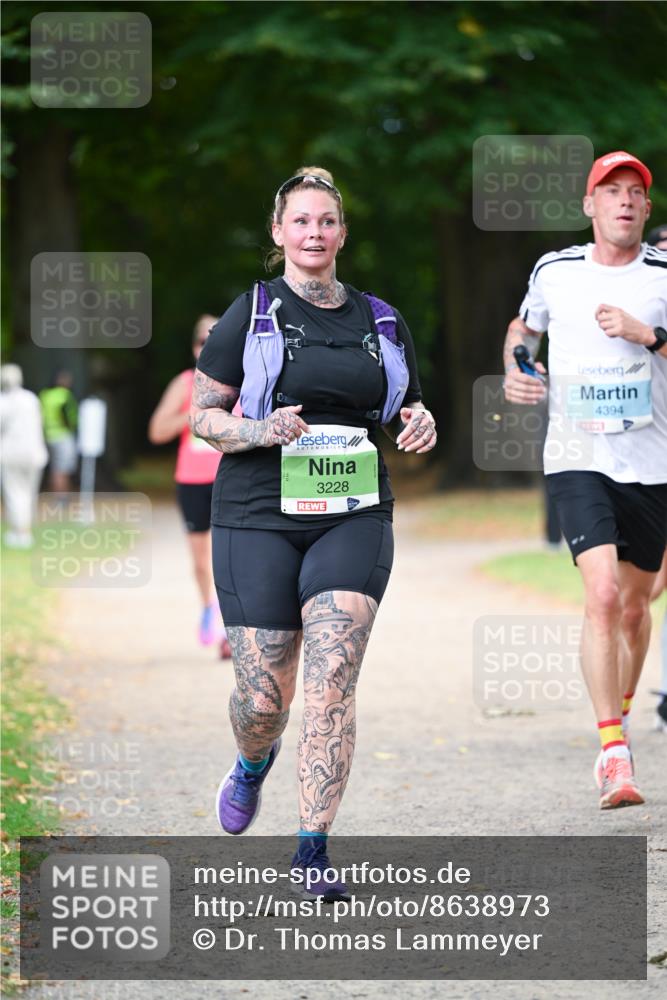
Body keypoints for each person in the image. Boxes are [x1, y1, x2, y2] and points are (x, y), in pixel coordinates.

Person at [190, 167, 436, 896]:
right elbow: (205, 417)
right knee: (264, 699)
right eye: (300, 221)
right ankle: (251, 762)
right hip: (257, 511)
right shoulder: (252, 311)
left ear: (341, 233)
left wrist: (417, 420)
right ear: (279, 233)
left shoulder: (380, 320)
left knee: (330, 679)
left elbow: (406, 405)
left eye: (326, 221)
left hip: (353, 512)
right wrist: (260, 428)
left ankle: (311, 851)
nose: (314, 233)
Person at [503, 151, 667, 810]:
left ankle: (617, 716)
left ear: (647, 210)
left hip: (650, 462)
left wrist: (647, 336)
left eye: (635, 193)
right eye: (611, 192)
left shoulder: (663, 273)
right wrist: (518, 362)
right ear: (588, 204)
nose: (623, 202)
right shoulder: (555, 270)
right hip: (576, 454)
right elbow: (524, 326)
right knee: (599, 594)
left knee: (635, 606)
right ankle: (612, 751)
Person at [149, 316, 230, 656]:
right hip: (193, 480)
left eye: (215, 338)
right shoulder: (184, 384)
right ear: (194, 347)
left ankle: (230, 627)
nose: (206, 345)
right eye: (201, 339)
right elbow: (157, 432)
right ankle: (209, 609)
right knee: (201, 561)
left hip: (232, 478)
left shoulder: (239, 381)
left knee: (231, 557)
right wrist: (194, 413)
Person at [0, 363, 48, 548]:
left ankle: (19, 532)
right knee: (29, 493)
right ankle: (25, 532)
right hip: (34, 453)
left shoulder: (4, 402)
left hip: (11, 455)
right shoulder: (31, 399)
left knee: (14, 493)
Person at [39, 370, 78, 499]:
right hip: (63, 435)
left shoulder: (45, 395)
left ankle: (57, 496)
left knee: (55, 469)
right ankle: (62, 498)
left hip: (48, 436)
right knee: (63, 470)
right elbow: (70, 417)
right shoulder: (65, 395)